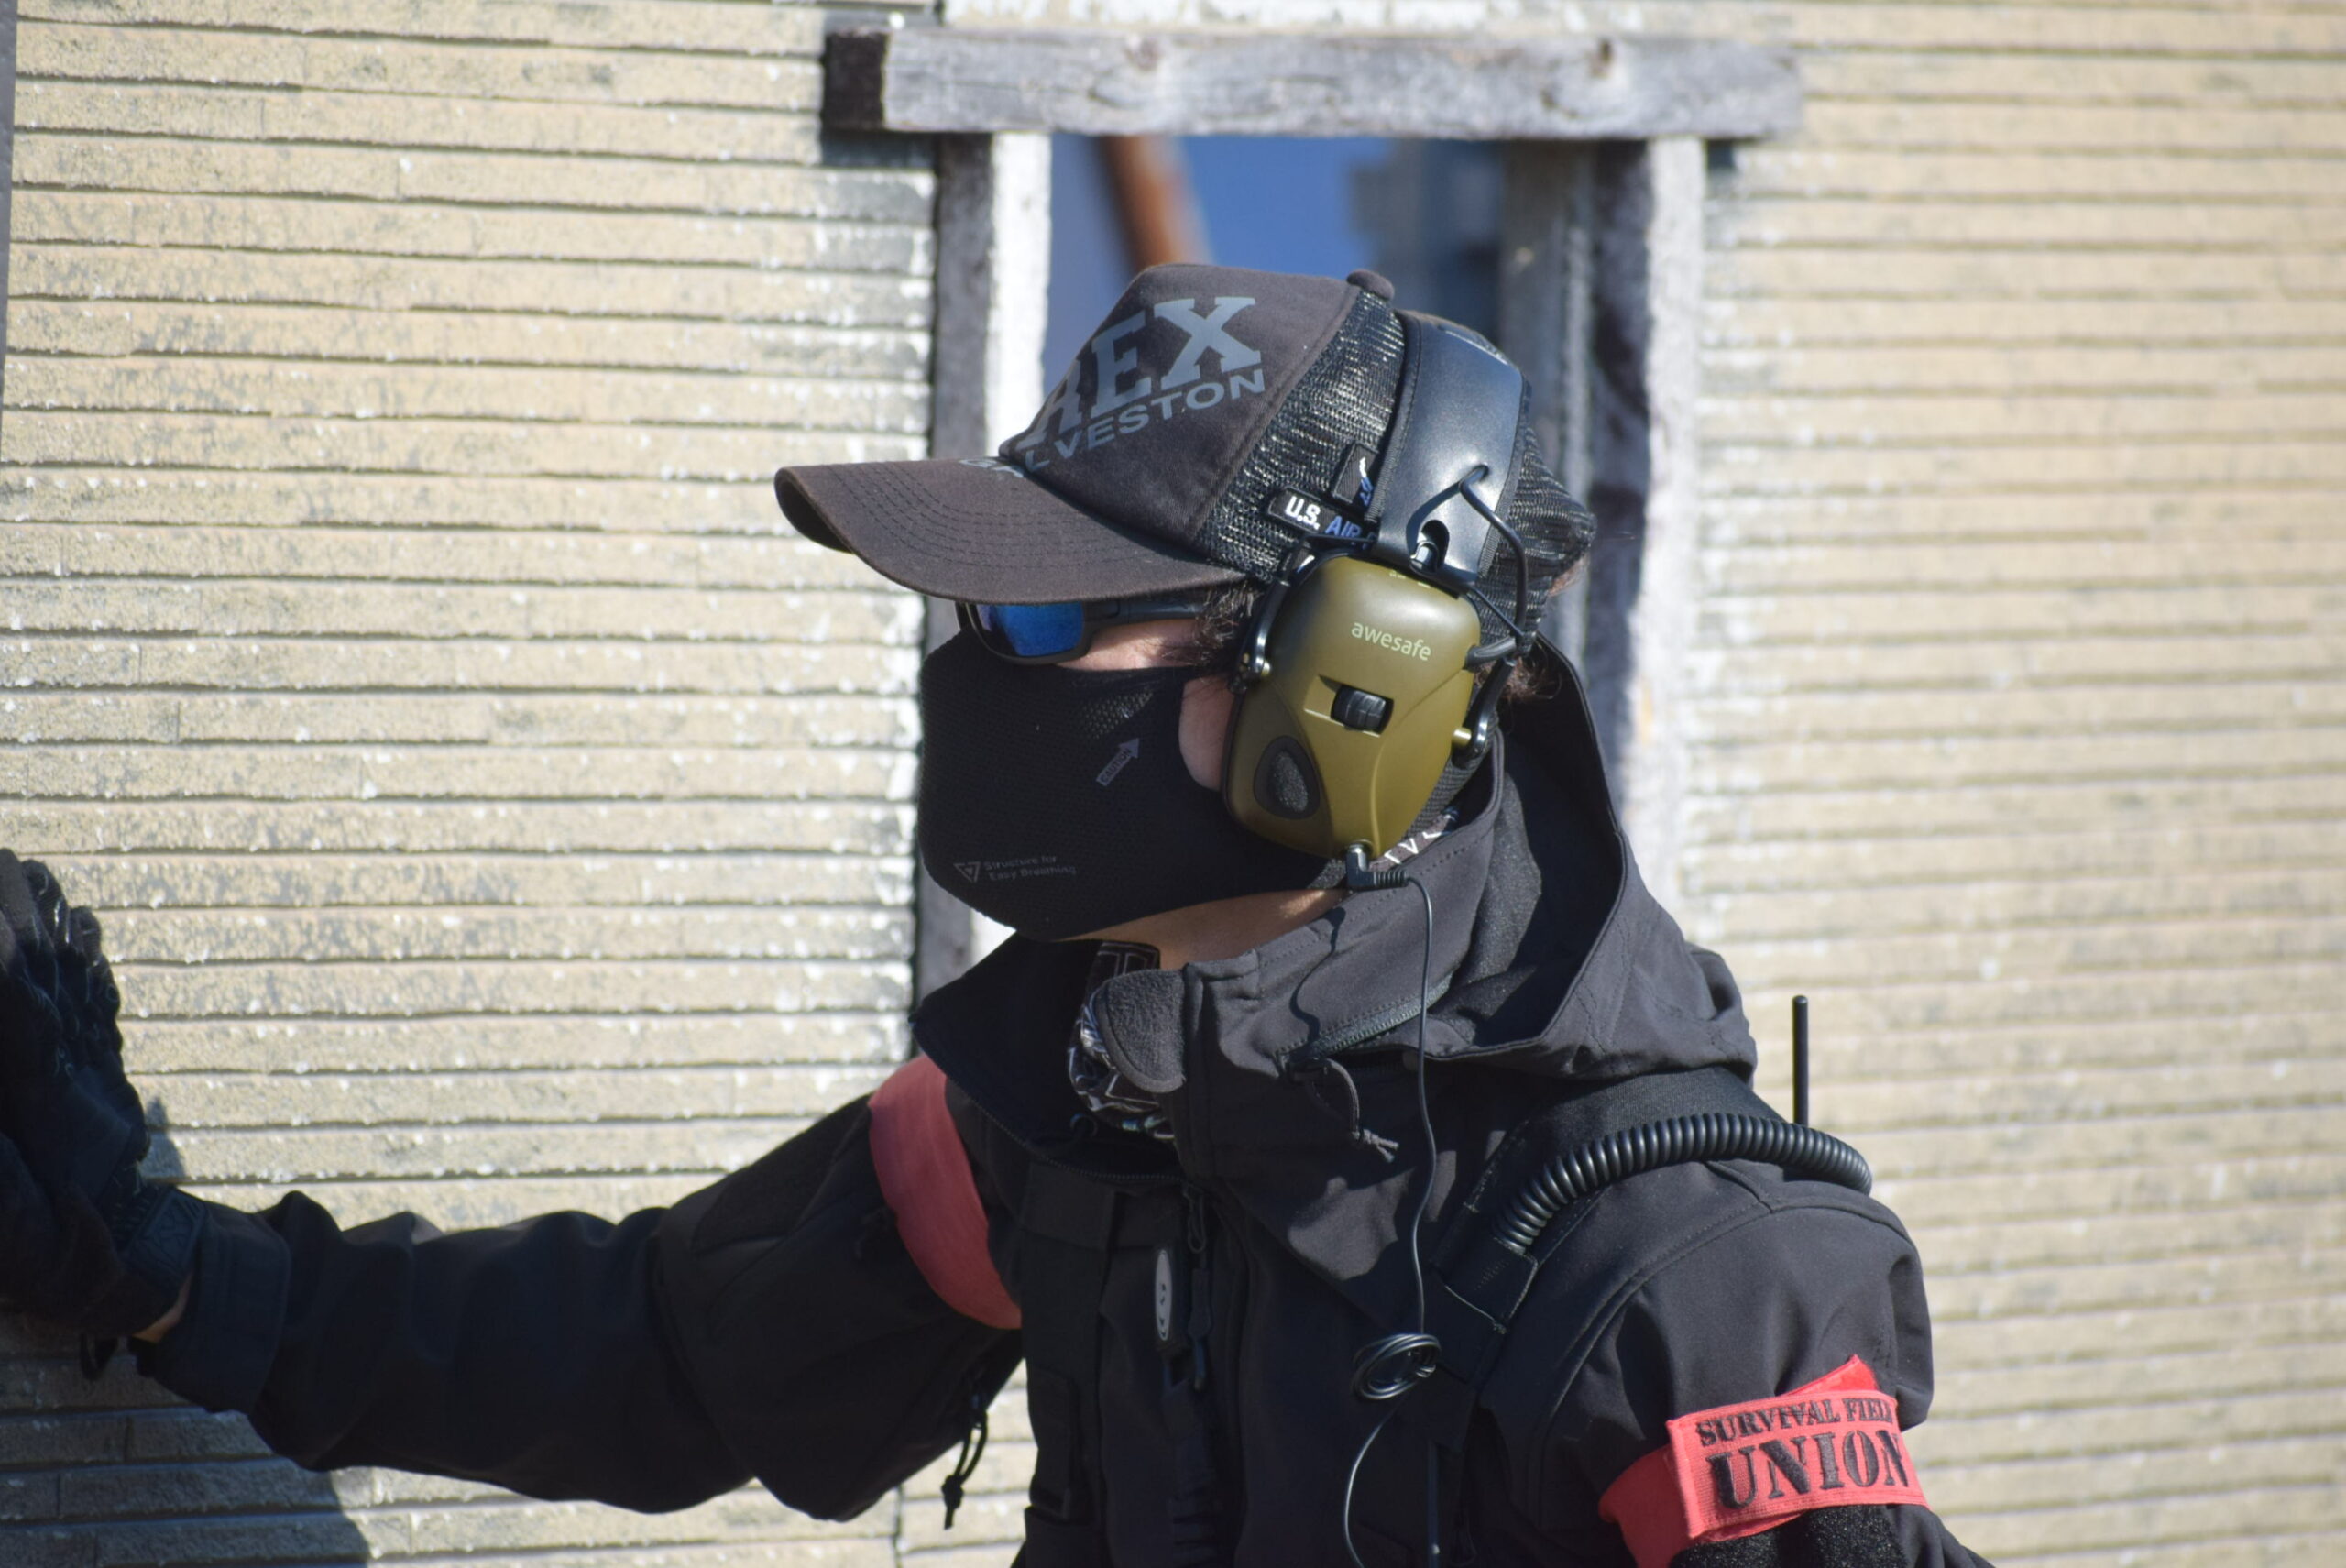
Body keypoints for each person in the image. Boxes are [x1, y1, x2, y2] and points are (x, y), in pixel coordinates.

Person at [0, 264, 1992, 1567]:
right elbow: (668, 1347)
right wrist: (169, 1271)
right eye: (977, 613)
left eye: (1049, 619)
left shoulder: (1687, 1281)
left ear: (1351, 690)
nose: (980, 670)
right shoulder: (1089, 1093)